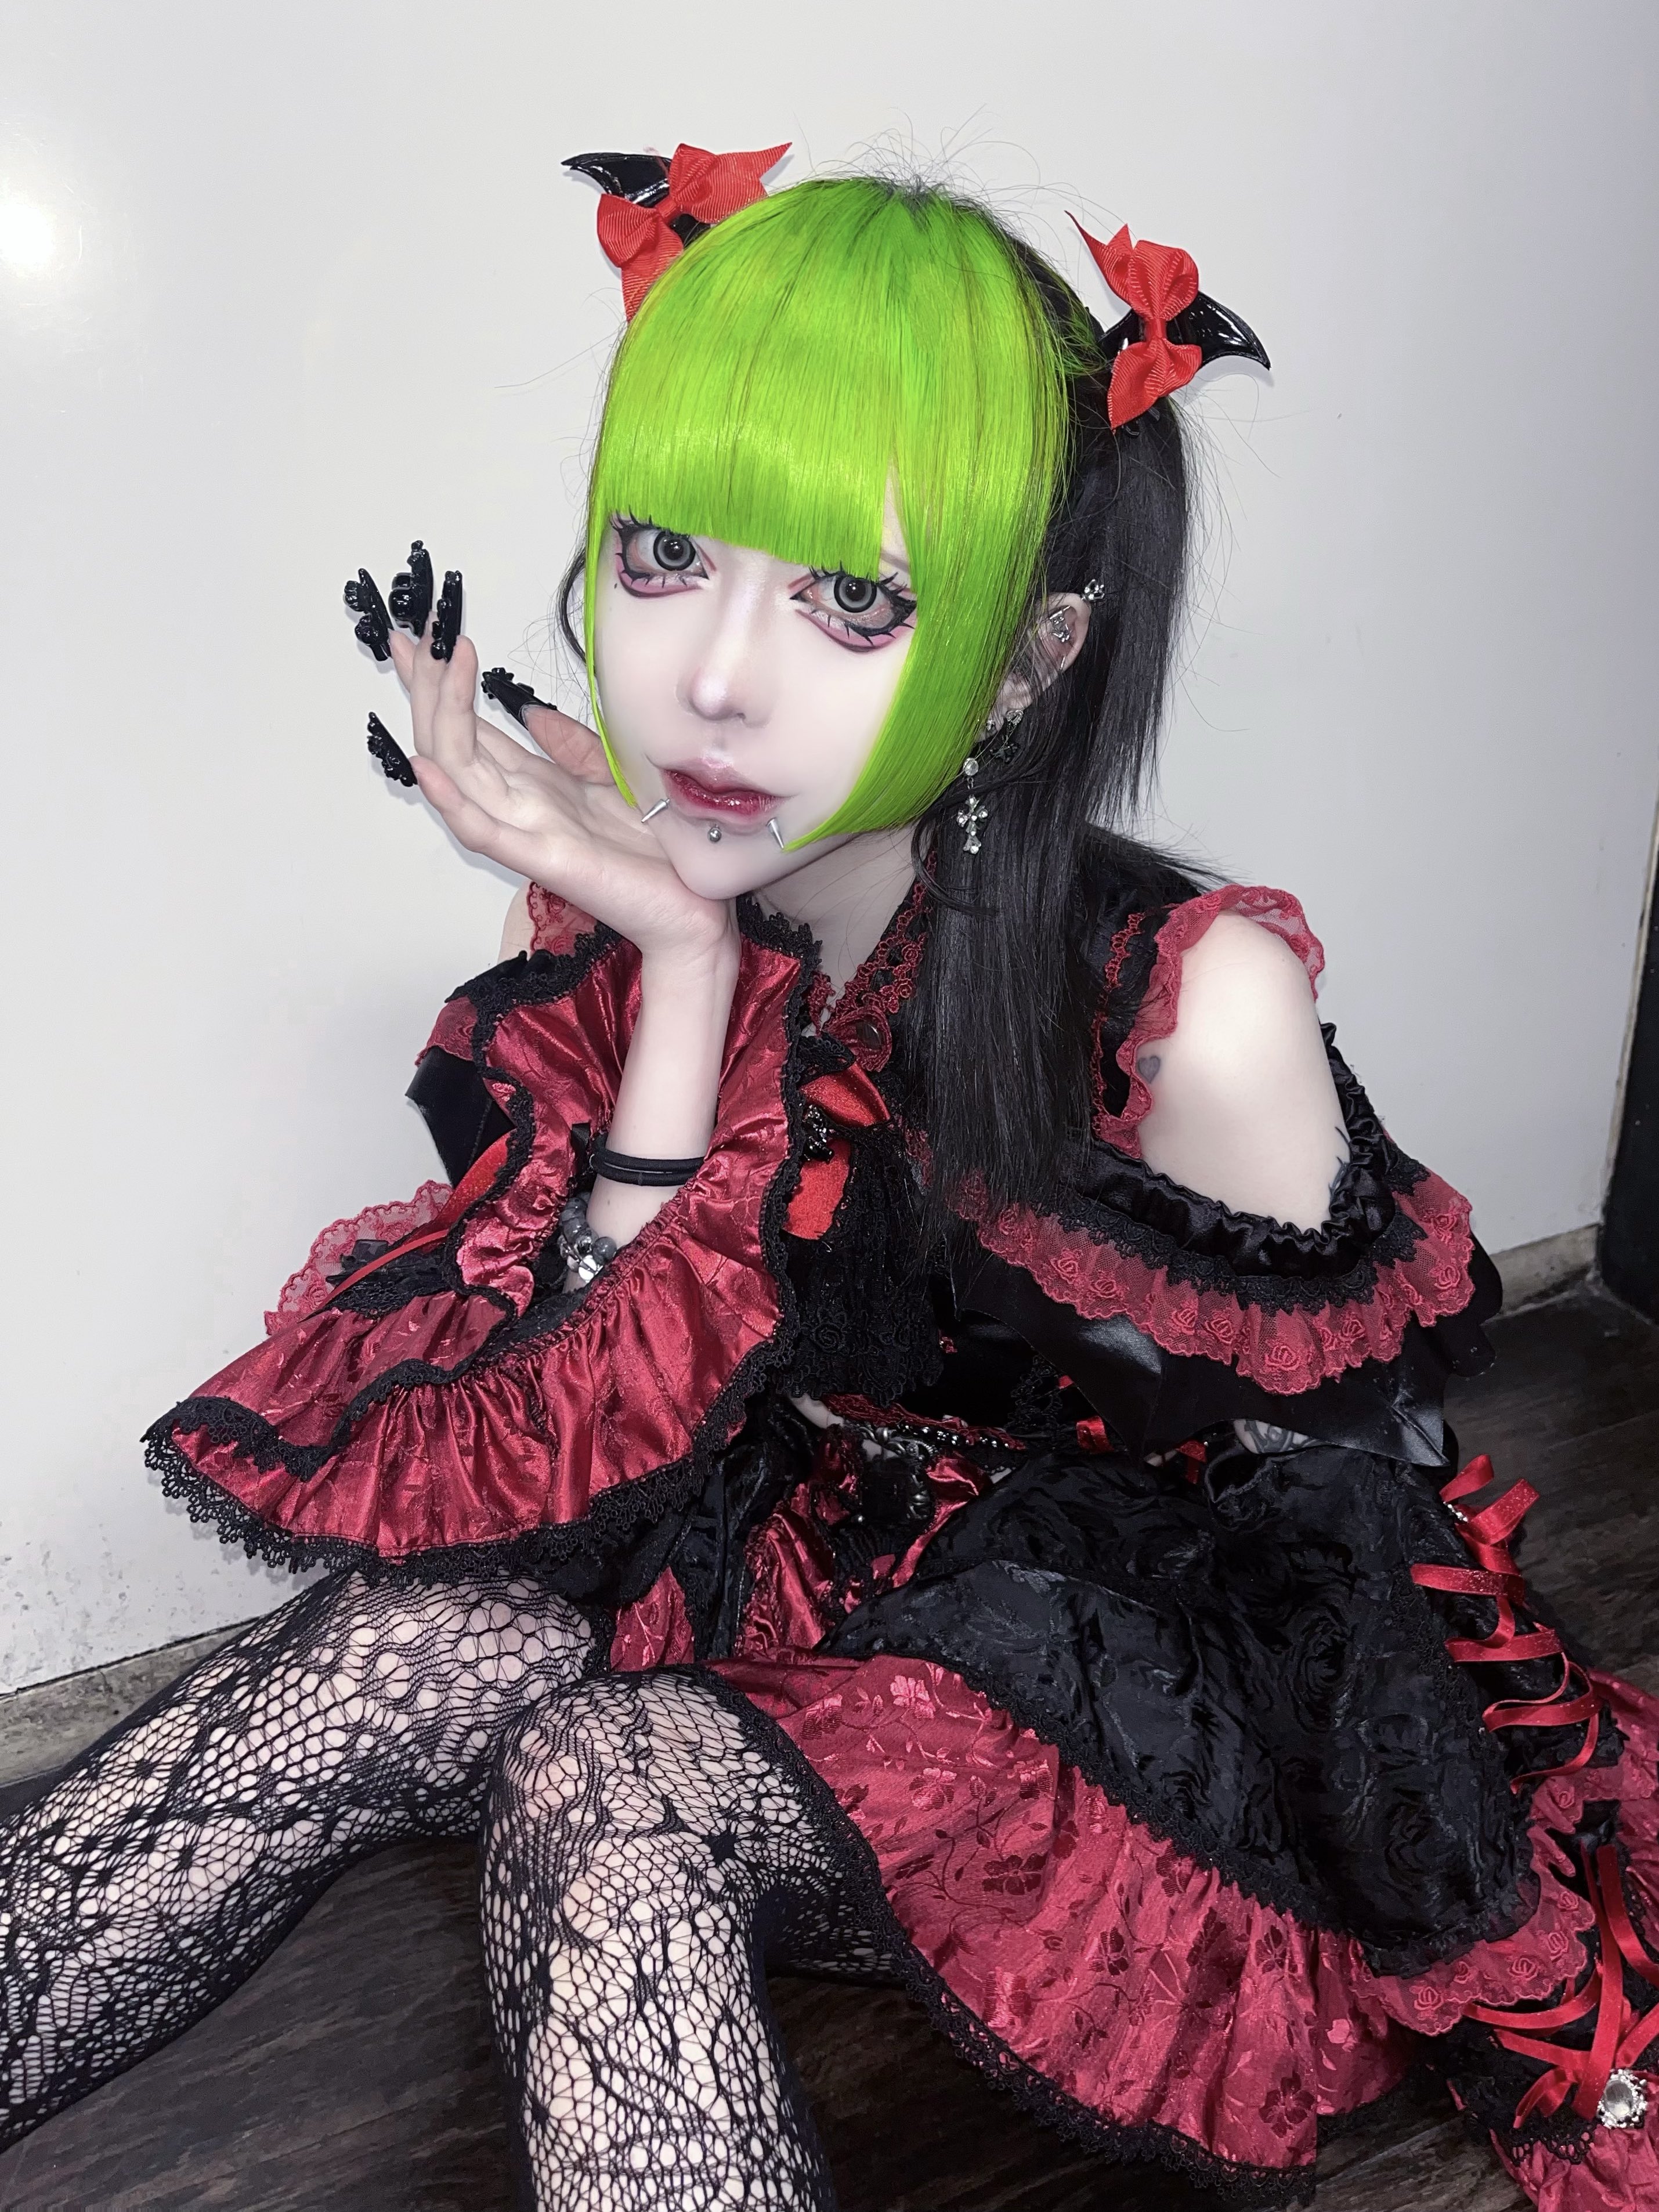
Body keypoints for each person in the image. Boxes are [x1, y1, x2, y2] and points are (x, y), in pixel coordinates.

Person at [3, 150, 1656, 2212]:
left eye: (853, 601)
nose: (711, 678)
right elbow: (580, 1463)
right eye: (664, 553)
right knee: (382, 1655)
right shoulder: (649, 884)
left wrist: (1515, 2001)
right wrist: (683, 966)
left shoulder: (1191, 1007)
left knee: (595, 1777)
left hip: (1132, 1672)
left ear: (1027, 661)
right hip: (798, 1553)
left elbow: (1341, 1559)